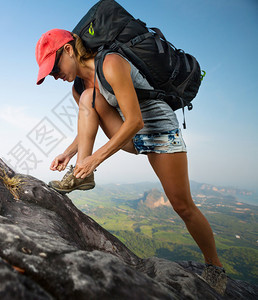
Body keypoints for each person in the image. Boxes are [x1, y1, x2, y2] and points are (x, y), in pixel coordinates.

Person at [35, 28, 227, 295]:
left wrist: (95, 158)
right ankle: (80, 175)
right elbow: (88, 126)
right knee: (88, 99)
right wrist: (70, 154)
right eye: (50, 74)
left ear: (68, 50)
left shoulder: (111, 63)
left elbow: (137, 120)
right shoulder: (79, 89)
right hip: (126, 132)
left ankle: (215, 266)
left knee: (182, 205)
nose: (55, 76)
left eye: (54, 68)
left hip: (157, 129)